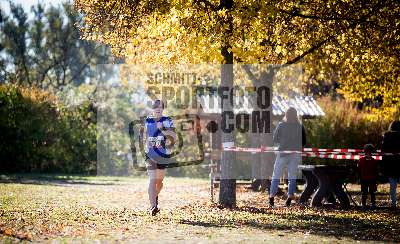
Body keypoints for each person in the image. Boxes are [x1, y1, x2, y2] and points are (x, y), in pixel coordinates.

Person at [141, 99, 176, 215]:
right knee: (152, 180)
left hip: (162, 156)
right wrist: (145, 145)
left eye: (160, 107)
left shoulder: (167, 120)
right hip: (150, 155)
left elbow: (173, 138)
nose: (158, 109)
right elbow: (143, 136)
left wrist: (163, 129)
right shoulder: (147, 121)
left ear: (163, 109)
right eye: (156, 107)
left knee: (159, 182)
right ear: (153, 109)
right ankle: (153, 207)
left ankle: (154, 197)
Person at [269, 107, 306, 207]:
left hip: (283, 153)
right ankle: (290, 196)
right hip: (295, 154)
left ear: (286, 115)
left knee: (276, 175)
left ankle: (272, 197)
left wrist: (283, 140)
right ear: (296, 115)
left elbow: (275, 139)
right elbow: (304, 141)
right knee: (292, 177)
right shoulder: (300, 126)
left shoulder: (281, 125)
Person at [382, 120, 400, 209]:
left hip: (390, 165)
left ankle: (393, 203)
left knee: (393, 186)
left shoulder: (387, 136)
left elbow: (383, 150)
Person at [357, 144, 379, 209]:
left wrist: (359, 178)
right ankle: (368, 204)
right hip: (368, 179)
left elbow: (358, 170)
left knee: (367, 192)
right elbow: (376, 171)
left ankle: (367, 205)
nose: (369, 153)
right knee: (368, 192)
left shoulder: (362, 160)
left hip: (367, 179)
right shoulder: (373, 161)